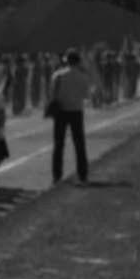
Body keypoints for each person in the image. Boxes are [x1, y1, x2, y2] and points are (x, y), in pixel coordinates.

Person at [49, 49, 91, 186]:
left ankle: (57, 175)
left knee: (58, 144)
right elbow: (86, 96)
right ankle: (82, 174)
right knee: (79, 144)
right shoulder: (83, 76)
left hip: (61, 111)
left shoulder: (58, 75)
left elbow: (52, 95)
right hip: (76, 111)